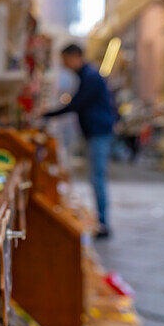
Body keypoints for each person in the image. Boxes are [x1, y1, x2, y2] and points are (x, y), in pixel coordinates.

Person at [44, 43, 118, 238]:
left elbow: (76, 104)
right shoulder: (87, 75)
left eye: (65, 59)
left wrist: (48, 114)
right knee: (96, 177)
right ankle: (101, 221)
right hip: (95, 132)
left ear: (75, 56)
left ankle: (103, 223)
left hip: (99, 132)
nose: (64, 64)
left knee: (97, 177)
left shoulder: (91, 77)